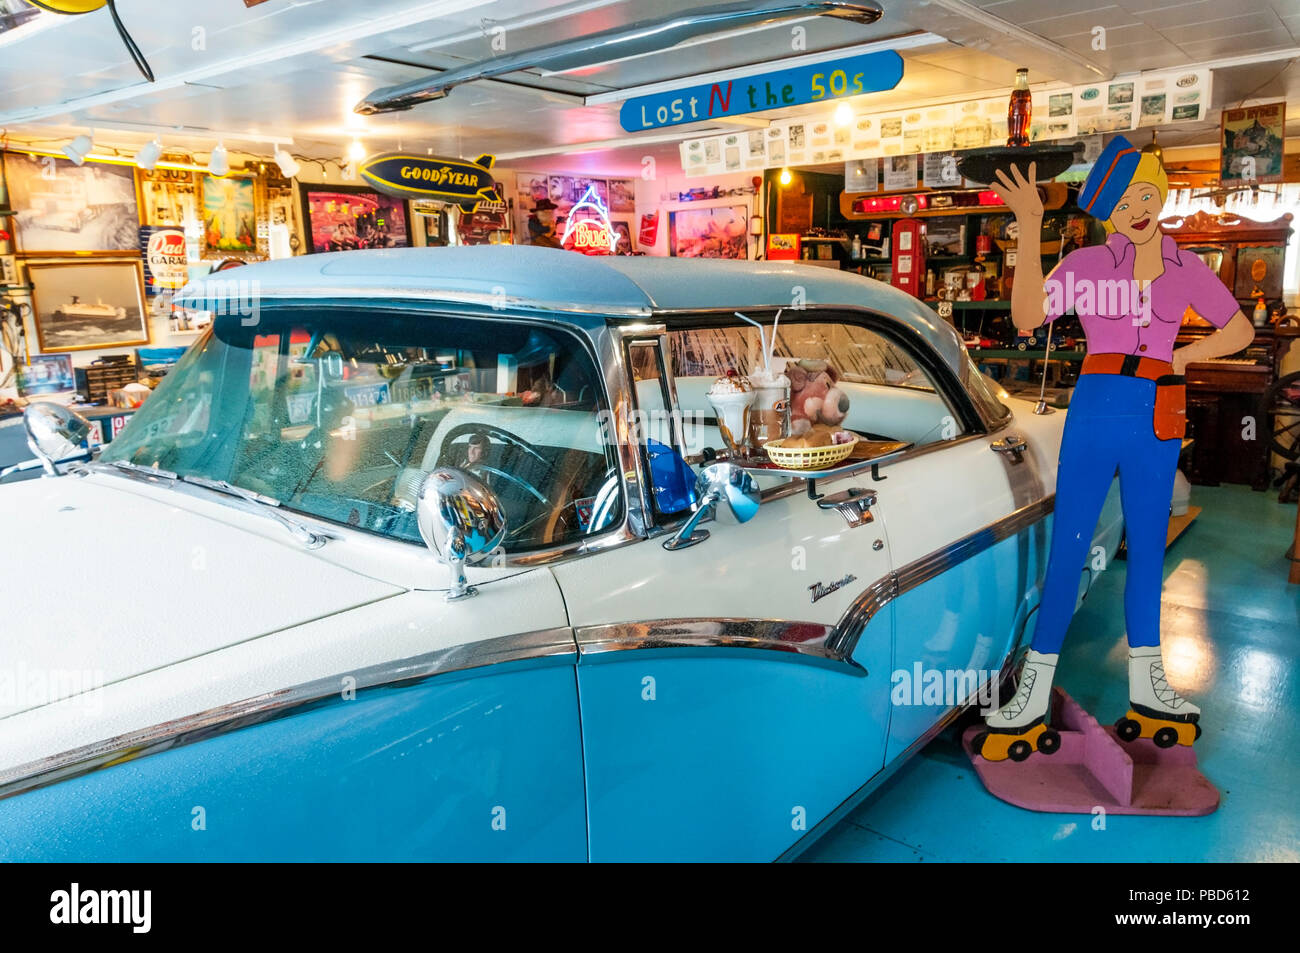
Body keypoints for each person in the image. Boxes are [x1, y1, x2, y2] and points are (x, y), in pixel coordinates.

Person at [977, 136, 1255, 761]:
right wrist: (1027, 226)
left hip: (1156, 410)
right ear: (1107, 209)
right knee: (1070, 543)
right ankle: (1034, 683)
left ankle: (1148, 685)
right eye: (1124, 199)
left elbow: (1239, 327)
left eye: (1148, 194)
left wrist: (1185, 354)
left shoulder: (1186, 266)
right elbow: (1026, 318)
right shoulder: (1084, 265)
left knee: (1148, 547)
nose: (1139, 207)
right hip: (1098, 402)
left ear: (1162, 195)